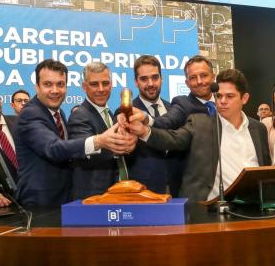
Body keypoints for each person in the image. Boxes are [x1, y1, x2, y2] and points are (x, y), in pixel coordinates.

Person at [123, 69, 271, 202]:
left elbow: (266, 169)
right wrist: (144, 131)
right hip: (212, 208)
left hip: (254, 206)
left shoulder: (258, 129)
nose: (223, 101)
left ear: (244, 98)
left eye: (230, 96)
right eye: (219, 96)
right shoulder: (200, 124)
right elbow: (172, 139)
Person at [15, 59, 135, 206]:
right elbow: (53, 148)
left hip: (62, 197)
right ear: (37, 87)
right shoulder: (30, 113)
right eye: (48, 84)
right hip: (40, 201)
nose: (55, 90)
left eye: (60, 84)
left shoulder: (58, 114)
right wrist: (99, 141)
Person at [67, 62, 137, 199]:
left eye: (105, 83)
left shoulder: (110, 114)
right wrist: (122, 146)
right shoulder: (79, 115)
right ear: (84, 87)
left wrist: (131, 142)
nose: (101, 89)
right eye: (94, 84)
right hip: (93, 197)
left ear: (111, 85)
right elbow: (85, 153)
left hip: (115, 193)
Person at [117, 55, 178, 194]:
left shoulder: (174, 109)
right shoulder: (125, 113)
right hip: (143, 192)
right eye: (144, 79)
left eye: (155, 77)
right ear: (136, 82)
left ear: (162, 79)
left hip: (178, 191)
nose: (150, 83)